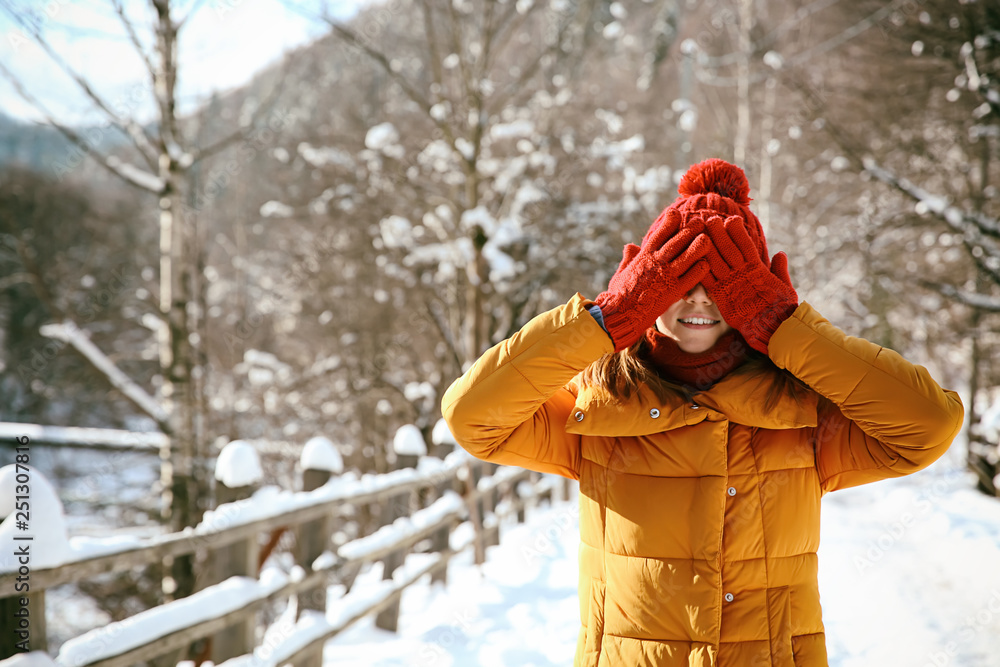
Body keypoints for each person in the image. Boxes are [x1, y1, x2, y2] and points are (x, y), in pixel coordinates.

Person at [441, 158, 964, 667]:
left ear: (757, 289)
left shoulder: (802, 412)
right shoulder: (596, 406)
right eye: (677, 278)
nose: (698, 297)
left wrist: (786, 326)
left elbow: (929, 426)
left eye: (721, 281)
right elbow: (471, 416)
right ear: (642, 283)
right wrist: (605, 319)